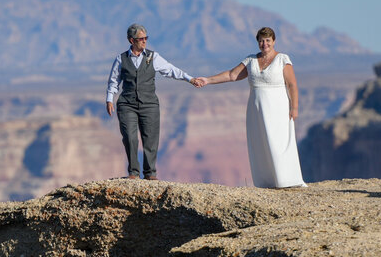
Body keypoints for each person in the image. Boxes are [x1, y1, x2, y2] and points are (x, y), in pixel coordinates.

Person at [192, 27, 306, 188]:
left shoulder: (282, 59)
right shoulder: (251, 60)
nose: (264, 43)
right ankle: (268, 181)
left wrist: (294, 108)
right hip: (256, 108)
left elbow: (292, 84)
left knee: (278, 141)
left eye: (267, 40)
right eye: (261, 40)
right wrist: (208, 80)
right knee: (261, 142)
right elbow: (232, 75)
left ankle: (286, 179)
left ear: (273, 41)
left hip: (278, 108)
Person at [106, 23, 200, 180]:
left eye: (146, 38)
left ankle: (150, 173)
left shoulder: (152, 57)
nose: (144, 41)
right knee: (129, 136)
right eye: (140, 39)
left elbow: (171, 70)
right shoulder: (121, 59)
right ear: (131, 40)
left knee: (150, 138)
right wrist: (109, 99)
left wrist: (190, 79)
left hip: (149, 104)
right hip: (127, 103)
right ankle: (133, 173)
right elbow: (113, 81)